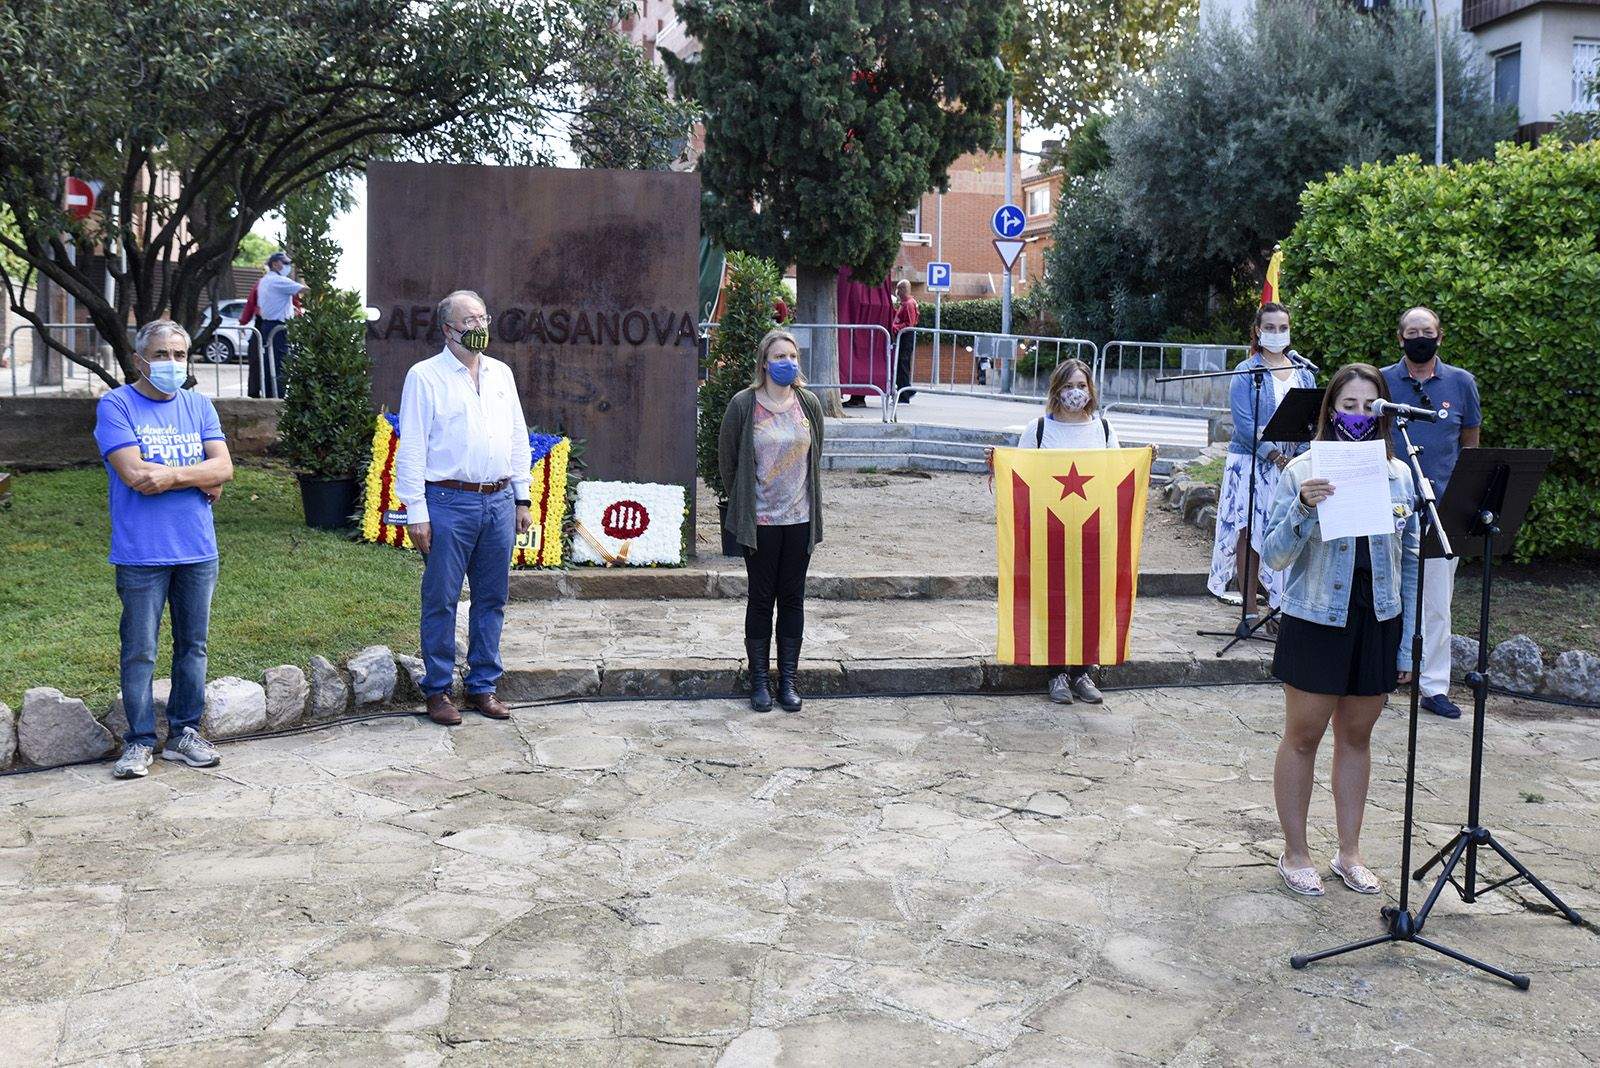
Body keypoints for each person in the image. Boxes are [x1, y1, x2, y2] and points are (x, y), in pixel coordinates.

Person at [1263, 363, 1419, 897]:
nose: (1358, 416)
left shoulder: (1400, 476)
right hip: (1316, 618)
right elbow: (1276, 556)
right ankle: (1295, 851)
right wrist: (1305, 507)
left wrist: (1406, 637)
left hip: (1377, 617)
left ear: (1384, 413)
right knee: (1303, 736)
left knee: (1357, 737)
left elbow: (1412, 560)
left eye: (1369, 407)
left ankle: (1349, 851)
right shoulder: (1303, 469)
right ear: (1331, 410)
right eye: (1348, 406)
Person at [94, 320, 235, 779]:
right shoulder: (116, 405)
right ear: (140, 360)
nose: (172, 363)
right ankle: (137, 742)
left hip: (197, 548)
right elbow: (136, 475)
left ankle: (183, 734)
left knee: (193, 646)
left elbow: (225, 467)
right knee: (140, 650)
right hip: (141, 552)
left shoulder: (198, 405)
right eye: (161, 355)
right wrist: (199, 477)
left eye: (179, 355)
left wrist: (174, 476)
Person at [393, 290, 533, 726]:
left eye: (483, 318)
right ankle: (437, 691)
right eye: (469, 321)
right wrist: (416, 509)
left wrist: (522, 496)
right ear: (447, 328)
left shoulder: (501, 374)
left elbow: (516, 435)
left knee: (492, 598)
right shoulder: (425, 376)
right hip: (448, 502)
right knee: (441, 598)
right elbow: (412, 444)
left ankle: (482, 687)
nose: (479, 328)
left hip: (498, 499)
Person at [718, 328, 826, 713]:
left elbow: (815, 455)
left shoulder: (808, 404)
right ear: (764, 362)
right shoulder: (744, 404)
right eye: (780, 357)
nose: (788, 363)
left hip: (800, 520)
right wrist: (746, 502)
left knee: (793, 598)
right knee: (762, 599)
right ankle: (760, 681)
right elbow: (727, 461)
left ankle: (789, 682)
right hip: (760, 521)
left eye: (792, 356)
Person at [1382, 306, 1481, 720]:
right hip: (1389, 505)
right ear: (1400, 338)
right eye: (1412, 331)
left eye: (1427, 331)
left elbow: (1470, 443)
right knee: (1387, 592)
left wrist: (1465, 497)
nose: (1419, 337)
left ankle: (1434, 685)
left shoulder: (1461, 383)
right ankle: (1384, 672)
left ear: (1439, 337)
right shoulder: (1383, 381)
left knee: (1437, 599)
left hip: (1443, 507)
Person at [1015, 358, 1120, 705]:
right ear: (1056, 389)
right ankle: (1056, 672)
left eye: (1081, 385)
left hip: (1092, 529)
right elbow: (1020, 474)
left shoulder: (1103, 429)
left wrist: (1146, 457)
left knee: (1090, 599)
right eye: (1068, 385)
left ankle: (1082, 671)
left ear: (1090, 390)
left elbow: (1119, 474)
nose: (1075, 392)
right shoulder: (1040, 428)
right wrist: (995, 461)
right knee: (1054, 598)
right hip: (1050, 529)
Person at [1207, 303, 1317, 631]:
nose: (1276, 333)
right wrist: (1275, 456)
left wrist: (1297, 458)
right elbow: (1244, 424)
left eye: (1283, 327)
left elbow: (1310, 419)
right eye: (1269, 327)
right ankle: (1251, 608)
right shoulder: (1247, 371)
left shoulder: (1304, 373)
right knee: (1250, 529)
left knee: (1284, 528)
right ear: (1257, 330)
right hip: (1252, 461)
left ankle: (1280, 607)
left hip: (1291, 464)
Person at [250, 251, 307, 399]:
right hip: (277, 328)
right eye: (285, 263)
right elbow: (304, 290)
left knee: (271, 364)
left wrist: (291, 309)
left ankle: (271, 395)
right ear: (275, 264)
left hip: (268, 325)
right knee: (279, 365)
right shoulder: (279, 281)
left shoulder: (264, 281)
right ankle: (277, 397)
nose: (288, 266)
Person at [891, 279, 919, 405]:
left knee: (902, 364)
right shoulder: (906, 303)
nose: (897, 291)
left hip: (906, 337)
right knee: (902, 364)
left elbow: (909, 324)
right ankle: (908, 390)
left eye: (898, 288)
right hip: (905, 337)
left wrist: (896, 328)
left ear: (903, 289)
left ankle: (904, 396)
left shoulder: (908, 304)